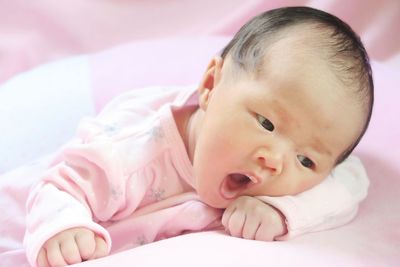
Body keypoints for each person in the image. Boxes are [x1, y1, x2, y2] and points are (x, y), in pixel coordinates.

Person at [24, 6, 373, 267]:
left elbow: (351, 179)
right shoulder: (128, 158)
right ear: (210, 85)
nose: (278, 161)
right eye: (266, 124)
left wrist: (284, 211)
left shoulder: (298, 177)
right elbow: (60, 186)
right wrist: (63, 229)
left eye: (305, 160)